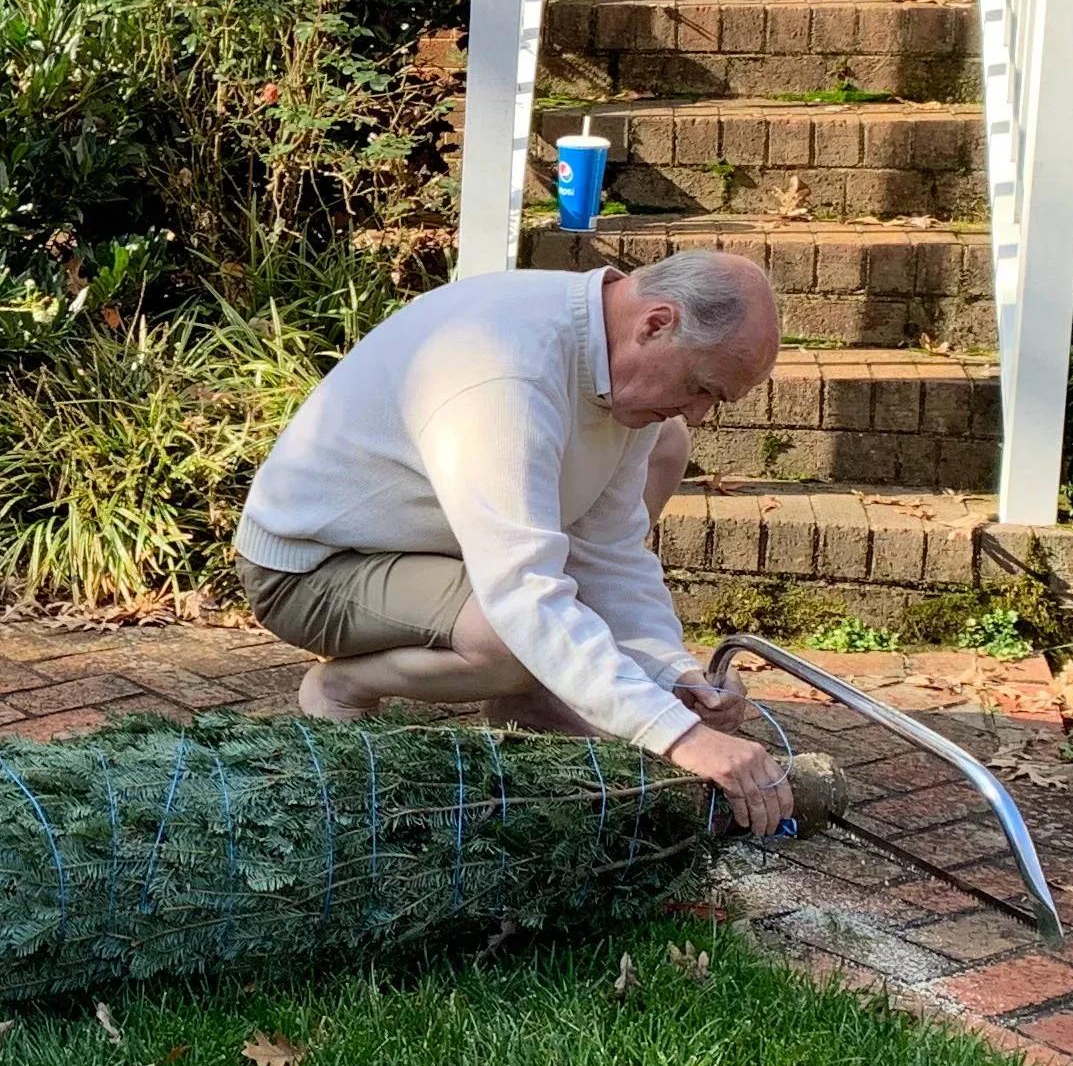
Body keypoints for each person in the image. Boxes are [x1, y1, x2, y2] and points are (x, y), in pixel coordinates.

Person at [232, 247, 794, 828]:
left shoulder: (613, 368)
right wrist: (679, 738)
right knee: (512, 639)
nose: (698, 413)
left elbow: (609, 553)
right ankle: (343, 685)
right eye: (702, 387)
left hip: (432, 544)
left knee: (667, 445)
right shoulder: (507, 372)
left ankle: (532, 701)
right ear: (656, 324)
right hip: (313, 568)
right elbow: (522, 590)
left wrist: (670, 673)